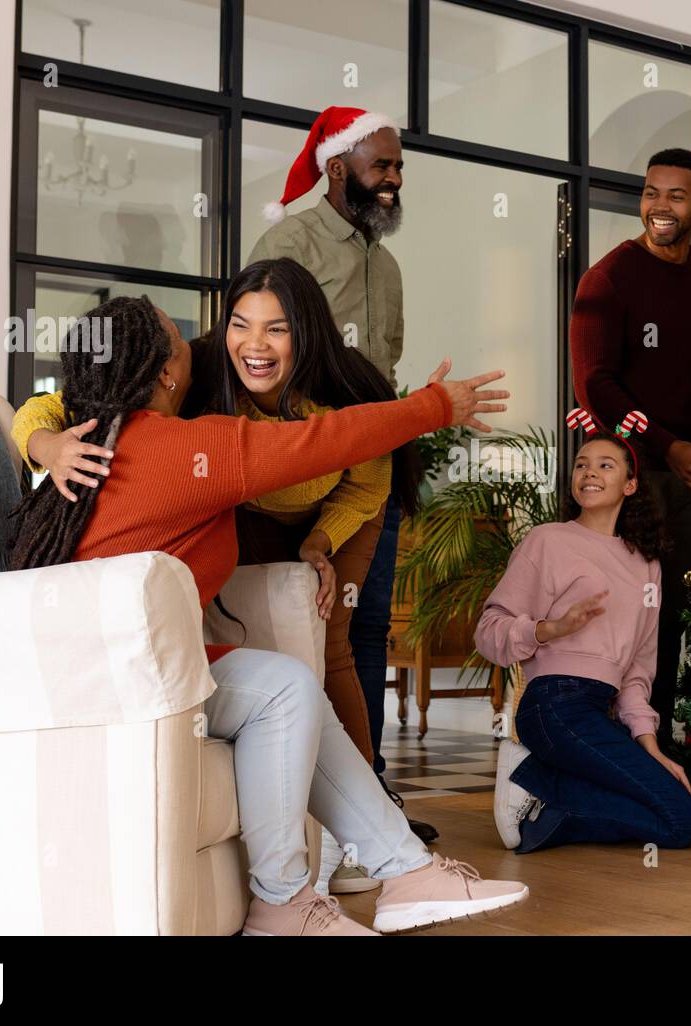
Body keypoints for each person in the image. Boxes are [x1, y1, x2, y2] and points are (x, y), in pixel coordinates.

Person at [10, 294, 527, 934]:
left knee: (287, 688)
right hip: (112, 686)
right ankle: (282, 902)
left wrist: (37, 440)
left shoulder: (91, 438)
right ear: (167, 372)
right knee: (282, 689)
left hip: (105, 671)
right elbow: (325, 439)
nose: (196, 345)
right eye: (178, 338)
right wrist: (435, 406)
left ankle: (406, 870)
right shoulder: (181, 450)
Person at [249, 106, 432, 842]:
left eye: (397, 168)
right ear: (336, 169)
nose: (392, 180)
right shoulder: (287, 243)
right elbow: (256, 351)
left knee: (368, 631)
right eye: (380, 166)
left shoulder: (386, 265)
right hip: (305, 474)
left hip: (372, 472)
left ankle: (369, 797)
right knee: (306, 633)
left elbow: (385, 364)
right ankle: (300, 806)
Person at [475, 414, 691, 852]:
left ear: (629, 485)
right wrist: (552, 629)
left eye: (606, 465)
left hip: (598, 709)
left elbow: (639, 669)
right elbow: (488, 633)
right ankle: (540, 807)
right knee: (680, 823)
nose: (589, 472)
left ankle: (555, 793)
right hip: (553, 706)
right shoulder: (547, 541)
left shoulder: (646, 565)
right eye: (582, 464)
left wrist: (650, 745)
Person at [571, 147, 691, 747]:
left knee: (665, 613)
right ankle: (597, 745)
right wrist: (669, 445)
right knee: (614, 615)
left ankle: (655, 742)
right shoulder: (609, 277)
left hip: (681, 479)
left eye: (675, 195)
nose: (659, 207)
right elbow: (595, 386)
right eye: (650, 193)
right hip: (622, 474)